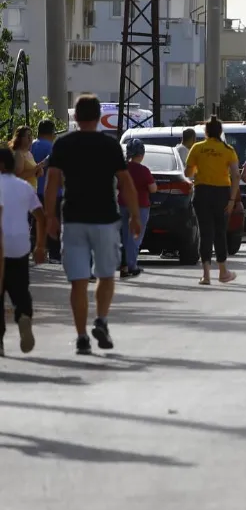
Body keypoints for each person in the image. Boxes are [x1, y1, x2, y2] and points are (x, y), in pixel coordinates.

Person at [45, 94, 141, 355]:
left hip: (74, 219)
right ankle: (101, 320)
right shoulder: (109, 145)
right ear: (99, 117)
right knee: (106, 274)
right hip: (105, 219)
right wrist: (134, 215)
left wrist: (50, 217)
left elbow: (52, 182)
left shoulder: (63, 145)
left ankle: (81, 337)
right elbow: (126, 183)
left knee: (78, 281)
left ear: (75, 117)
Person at [184, 115, 239, 285]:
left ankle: (206, 275)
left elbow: (187, 173)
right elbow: (236, 176)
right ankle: (223, 272)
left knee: (205, 231)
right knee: (220, 232)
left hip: (202, 192)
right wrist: (232, 200)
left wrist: (199, 170)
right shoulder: (228, 150)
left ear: (206, 131)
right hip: (222, 193)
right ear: (220, 132)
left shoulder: (197, 148)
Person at [0, 146, 44, 356]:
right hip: (19, 246)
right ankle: (23, 315)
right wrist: (40, 245)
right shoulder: (24, 187)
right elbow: (40, 216)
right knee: (20, 290)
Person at [120, 139, 155, 279]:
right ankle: (131, 265)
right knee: (135, 236)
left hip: (122, 204)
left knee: (124, 236)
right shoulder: (144, 171)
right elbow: (153, 189)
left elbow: (117, 186)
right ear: (141, 154)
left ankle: (123, 265)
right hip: (140, 206)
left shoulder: (122, 168)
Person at [31, 119, 60, 262]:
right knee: (54, 222)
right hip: (52, 191)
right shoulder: (52, 147)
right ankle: (54, 254)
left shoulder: (32, 146)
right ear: (52, 132)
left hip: (35, 190)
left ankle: (35, 249)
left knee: (36, 222)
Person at [10, 125, 42, 191]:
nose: (30, 138)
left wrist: (39, 170)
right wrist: (35, 169)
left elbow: (33, 175)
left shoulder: (29, 153)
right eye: (27, 135)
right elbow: (17, 177)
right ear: (20, 138)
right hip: (22, 193)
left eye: (31, 135)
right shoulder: (19, 154)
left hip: (31, 192)